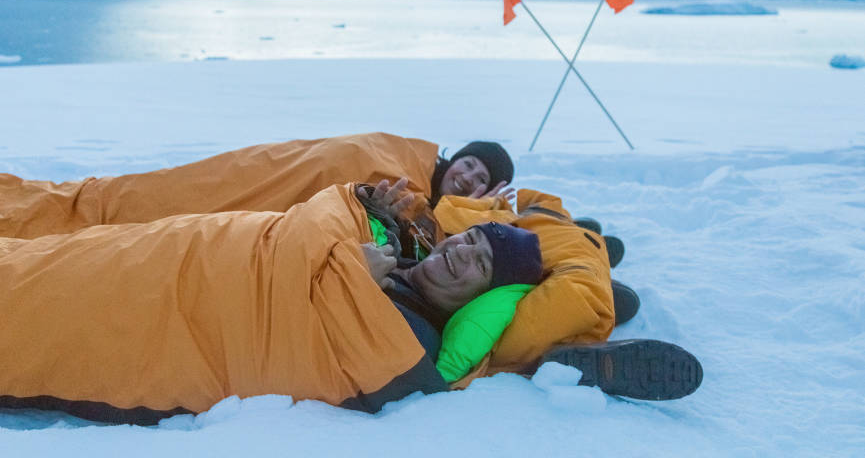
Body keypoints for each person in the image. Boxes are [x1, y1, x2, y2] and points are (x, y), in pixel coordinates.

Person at [0, 182, 542, 424]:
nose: (459, 252)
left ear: (484, 301)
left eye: (482, 264)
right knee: (59, 259)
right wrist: (361, 207)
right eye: (469, 239)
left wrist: (352, 272)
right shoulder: (401, 267)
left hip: (170, 312)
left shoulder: (414, 339)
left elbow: (314, 345)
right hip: (176, 254)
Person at [0, 132, 516, 240]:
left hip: (277, 195)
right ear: (457, 156)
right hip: (266, 170)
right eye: (469, 164)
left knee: (154, 216)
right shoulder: (402, 159)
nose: (467, 176)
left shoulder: (426, 198)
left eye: (480, 180)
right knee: (134, 200)